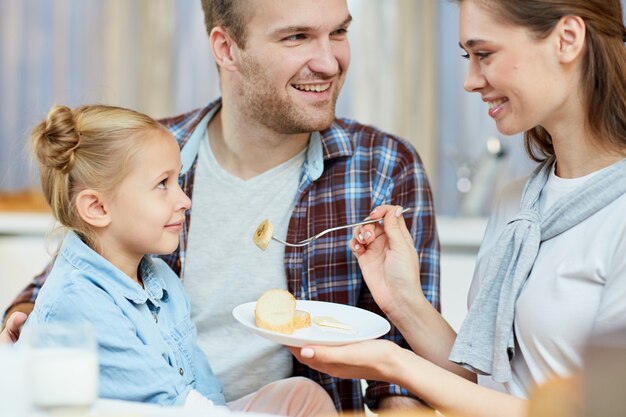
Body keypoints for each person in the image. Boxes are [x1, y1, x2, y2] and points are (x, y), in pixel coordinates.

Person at [2, 0, 440, 412]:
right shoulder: (148, 153)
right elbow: (70, 276)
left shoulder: (384, 167)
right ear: (225, 48)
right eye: (297, 37)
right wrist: (30, 330)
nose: (329, 63)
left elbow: (407, 370)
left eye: (339, 32)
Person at [291, 0, 626, 416]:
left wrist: (392, 362)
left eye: (484, 54)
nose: (469, 81)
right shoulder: (518, 203)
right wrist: (402, 300)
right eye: (468, 58)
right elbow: (485, 385)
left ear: (567, 39)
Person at [15, 103, 336, 417]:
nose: (184, 200)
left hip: (183, 407)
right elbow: (166, 404)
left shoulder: (161, 279)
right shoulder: (78, 302)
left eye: (178, 181)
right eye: (162, 185)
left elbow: (202, 386)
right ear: (97, 208)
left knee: (301, 395)